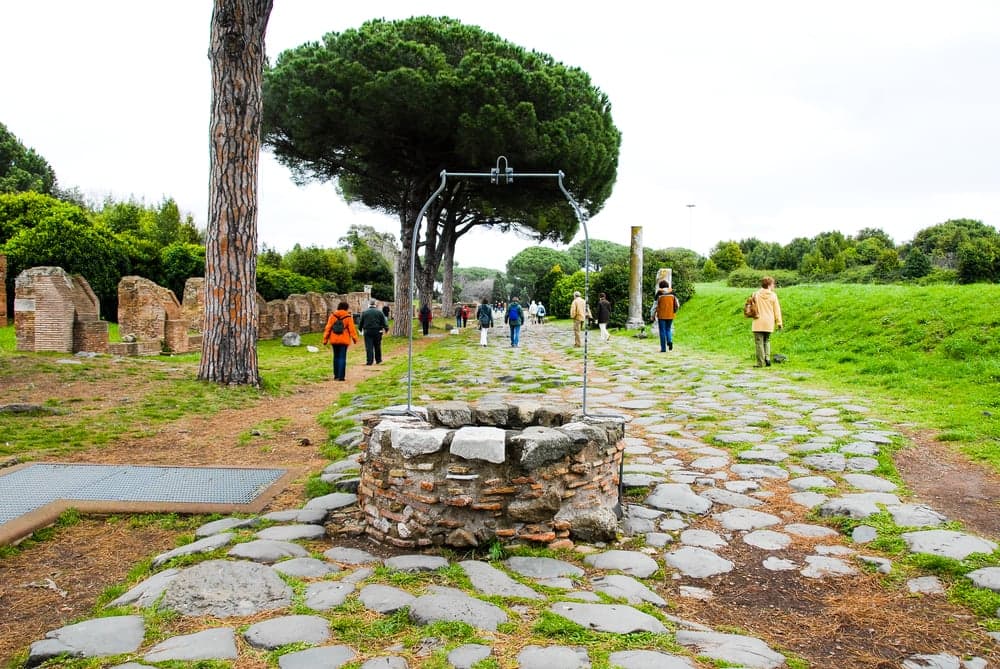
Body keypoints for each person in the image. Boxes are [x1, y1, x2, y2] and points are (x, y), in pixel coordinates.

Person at [751, 276, 783, 367]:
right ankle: (767, 359)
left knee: (759, 343)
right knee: (767, 340)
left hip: (758, 321)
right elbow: (777, 310)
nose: (774, 286)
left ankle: (760, 363)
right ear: (769, 285)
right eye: (773, 284)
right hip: (769, 322)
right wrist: (779, 323)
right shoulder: (773, 295)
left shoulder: (755, 294)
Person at [322, 300, 358, 381]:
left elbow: (328, 328)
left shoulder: (332, 316)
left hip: (334, 339)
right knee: (342, 357)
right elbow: (352, 329)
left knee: (336, 357)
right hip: (344, 339)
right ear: (346, 308)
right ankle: (341, 376)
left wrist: (325, 339)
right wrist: (355, 339)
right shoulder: (348, 317)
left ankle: (336, 375)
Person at [358, 299, 390, 365]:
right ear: (375, 305)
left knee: (369, 346)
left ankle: (369, 361)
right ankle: (378, 360)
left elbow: (361, 322)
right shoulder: (380, 312)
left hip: (367, 331)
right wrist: (386, 329)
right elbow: (384, 322)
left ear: (369, 304)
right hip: (377, 331)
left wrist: (360, 329)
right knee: (377, 346)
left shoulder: (364, 312)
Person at [652, 280, 680, 352]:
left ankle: (663, 349)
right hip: (670, 314)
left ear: (660, 286)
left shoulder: (659, 294)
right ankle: (669, 341)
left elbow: (654, 306)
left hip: (661, 315)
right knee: (668, 329)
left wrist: (652, 315)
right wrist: (674, 311)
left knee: (662, 331)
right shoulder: (673, 293)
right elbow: (677, 304)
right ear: (667, 286)